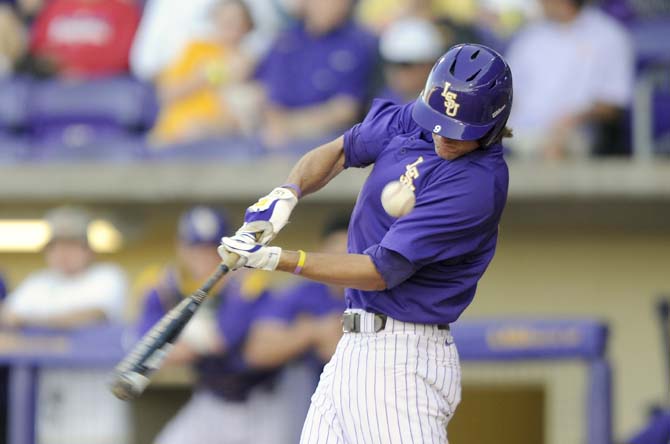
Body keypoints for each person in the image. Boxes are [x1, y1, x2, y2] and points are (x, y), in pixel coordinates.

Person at [217, 43, 512, 443]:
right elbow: (342, 150)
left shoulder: (475, 185)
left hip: (402, 357)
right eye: (438, 120)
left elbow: (379, 271)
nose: (443, 136)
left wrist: (276, 259)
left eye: (458, 132)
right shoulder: (419, 119)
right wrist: (287, 193)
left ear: (492, 126)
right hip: (354, 350)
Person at [136, 206, 291, 444]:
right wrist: (186, 342)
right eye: (195, 247)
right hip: (212, 400)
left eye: (211, 248)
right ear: (181, 247)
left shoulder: (249, 281)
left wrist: (175, 337)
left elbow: (222, 339)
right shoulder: (164, 286)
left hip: (262, 400)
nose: (204, 256)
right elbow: (146, 347)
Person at [0, 206, 130, 444]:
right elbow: (6, 317)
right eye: (57, 246)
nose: (64, 253)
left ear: (88, 249)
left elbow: (91, 314)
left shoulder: (107, 277)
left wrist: (31, 324)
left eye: (72, 245)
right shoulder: (38, 283)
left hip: (99, 420)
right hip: (52, 419)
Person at [243, 214, 349, 442]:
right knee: (297, 376)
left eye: (348, 255)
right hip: (304, 394)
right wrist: (312, 332)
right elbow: (257, 351)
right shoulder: (302, 293)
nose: (340, 263)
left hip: (358, 394)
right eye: (334, 255)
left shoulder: (374, 294)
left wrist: (341, 346)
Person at [505, 0, 633, 159]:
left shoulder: (609, 35)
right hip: (518, 130)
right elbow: (506, 89)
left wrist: (574, 119)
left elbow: (613, 103)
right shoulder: (529, 36)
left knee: (555, 149)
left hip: (576, 132)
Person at [253, 0, 377, 148]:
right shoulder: (286, 41)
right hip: (278, 134)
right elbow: (268, 94)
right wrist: (276, 124)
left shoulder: (359, 43)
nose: (328, 6)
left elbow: (346, 109)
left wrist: (292, 126)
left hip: (329, 137)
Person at [149, 0, 256, 145]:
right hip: (174, 136)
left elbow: (243, 120)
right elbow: (166, 94)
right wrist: (210, 74)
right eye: (224, 19)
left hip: (218, 141)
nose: (230, 25)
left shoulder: (250, 62)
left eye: (236, 20)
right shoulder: (196, 49)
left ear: (247, 25)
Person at [28, 0, 141, 78]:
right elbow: (37, 48)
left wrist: (79, 69)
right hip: (54, 84)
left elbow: (122, 56)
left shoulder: (124, 11)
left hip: (103, 86)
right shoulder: (55, 7)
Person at [377, 17, 445, 104]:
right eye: (390, 64)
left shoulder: (447, 105)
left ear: (429, 66)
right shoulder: (386, 99)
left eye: (404, 65)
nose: (394, 72)